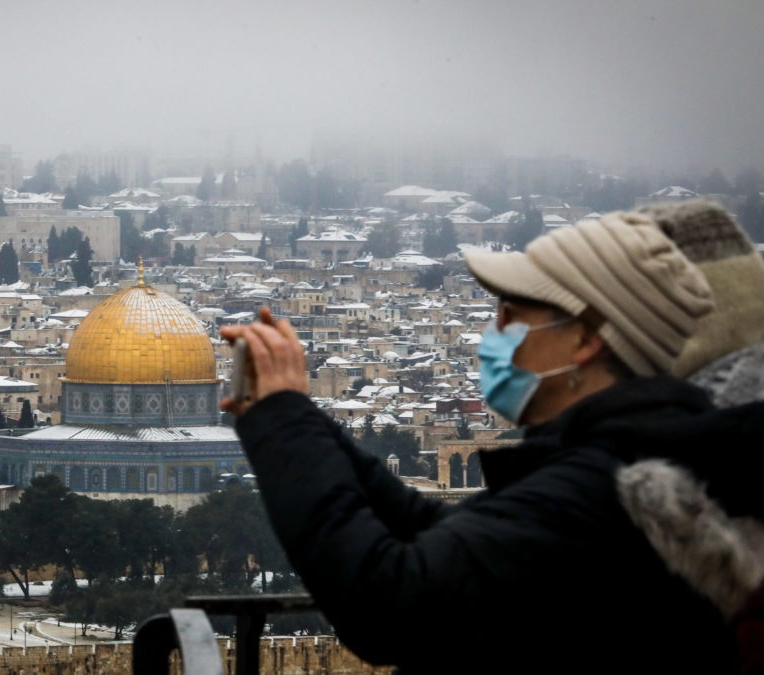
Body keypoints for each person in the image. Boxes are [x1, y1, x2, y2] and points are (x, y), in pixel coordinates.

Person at [221, 211, 762, 673]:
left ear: (588, 338)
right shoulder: (636, 457)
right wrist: (299, 419)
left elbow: (388, 605)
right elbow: (446, 536)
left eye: (514, 313)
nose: (493, 331)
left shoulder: (605, 488)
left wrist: (286, 419)